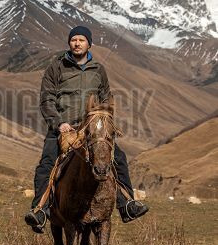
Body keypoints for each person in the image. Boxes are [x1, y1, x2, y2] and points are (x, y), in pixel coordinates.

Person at [25, 25, 149, 233]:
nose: (77, 43)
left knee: (118, 158)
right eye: (74, 40)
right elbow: (47, 100)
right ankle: (40, 210)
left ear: (89, 44)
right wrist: (58, 123)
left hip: (92, 130)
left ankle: (127, 204)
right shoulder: (56, 67)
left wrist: (103, 123)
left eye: (81, 40)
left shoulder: (98, 69)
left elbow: (106, 100)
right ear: (69, 43)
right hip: (64, 129)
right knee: (47, 164)